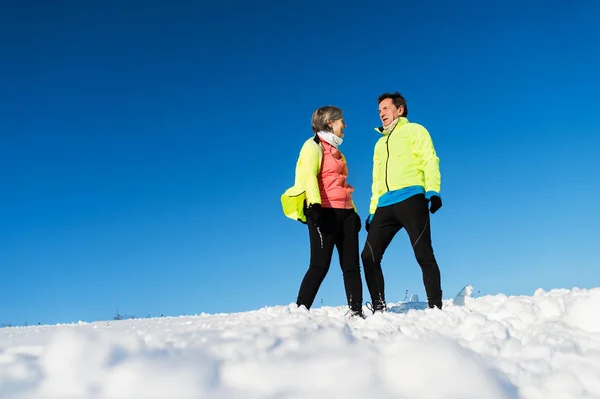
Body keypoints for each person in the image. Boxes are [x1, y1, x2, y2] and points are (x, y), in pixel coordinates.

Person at [361, 92, 443, 312]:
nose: (381, 114)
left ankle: (435, 307)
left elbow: (429, 159)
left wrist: (433, 191)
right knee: (368, 255)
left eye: (386, 108)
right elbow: (376, 179)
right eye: (379, 111)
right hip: (385, 205)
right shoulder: (379, 144)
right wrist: (372, 211)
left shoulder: (415, 130)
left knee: (423, 253)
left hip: (411, 198)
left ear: (400, 109)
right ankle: (379, 308)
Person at [281, 106, 365, 319]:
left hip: (345, 213)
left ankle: (356, 311)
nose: (344, 125)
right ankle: (300, 311)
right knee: (319, 265)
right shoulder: (313, 145)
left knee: (351, 266)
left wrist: (353, 213)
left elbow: (343, 185)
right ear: (329, 123)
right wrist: (315, 206)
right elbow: (309, 175)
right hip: (323, 212)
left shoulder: (339, 153)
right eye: (341, 121)